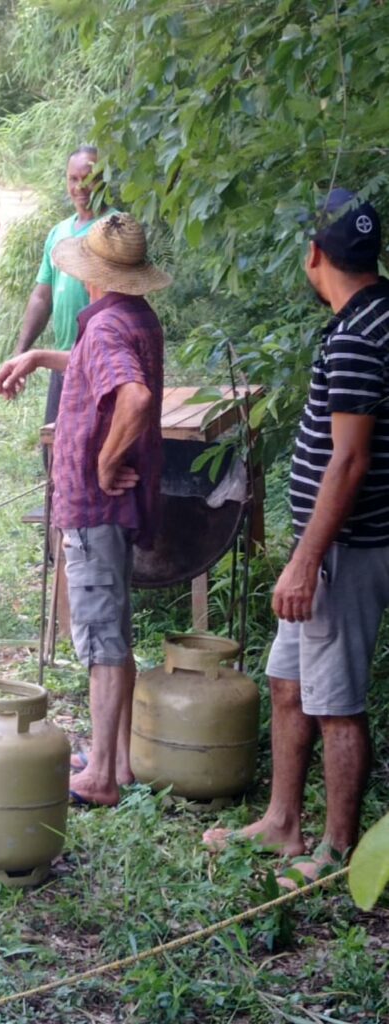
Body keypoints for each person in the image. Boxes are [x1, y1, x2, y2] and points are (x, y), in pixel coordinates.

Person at [203, 188, 389, 887]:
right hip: (330, 549)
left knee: (336, 702)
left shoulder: (355, 338)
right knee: (289, 681)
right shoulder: (378, 312)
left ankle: (337, 852)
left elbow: (350, 459)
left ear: (314, 255)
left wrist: (306, 560)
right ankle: (283, 823)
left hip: (344, 551)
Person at [0, 213, 172, 806]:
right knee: (113, 630)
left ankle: (98, 775)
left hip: (97, 506)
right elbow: (105, 371)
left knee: (100, 637)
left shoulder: (106, 329)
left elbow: (135, 396)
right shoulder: (133, 318)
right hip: (113, 509)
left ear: (92, 275)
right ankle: (115, 761)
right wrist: (44, 356)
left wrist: (101, 463)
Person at [15, 146, 113, 431]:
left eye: (88, 178)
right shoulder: (58, 232)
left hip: (102, 361)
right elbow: (42, 295)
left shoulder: (116, 228)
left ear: (104, 179)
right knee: (55, 446)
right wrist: (21, 351)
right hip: (64, 360)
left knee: (94, 446)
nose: (79, 187)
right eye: (72, 179)